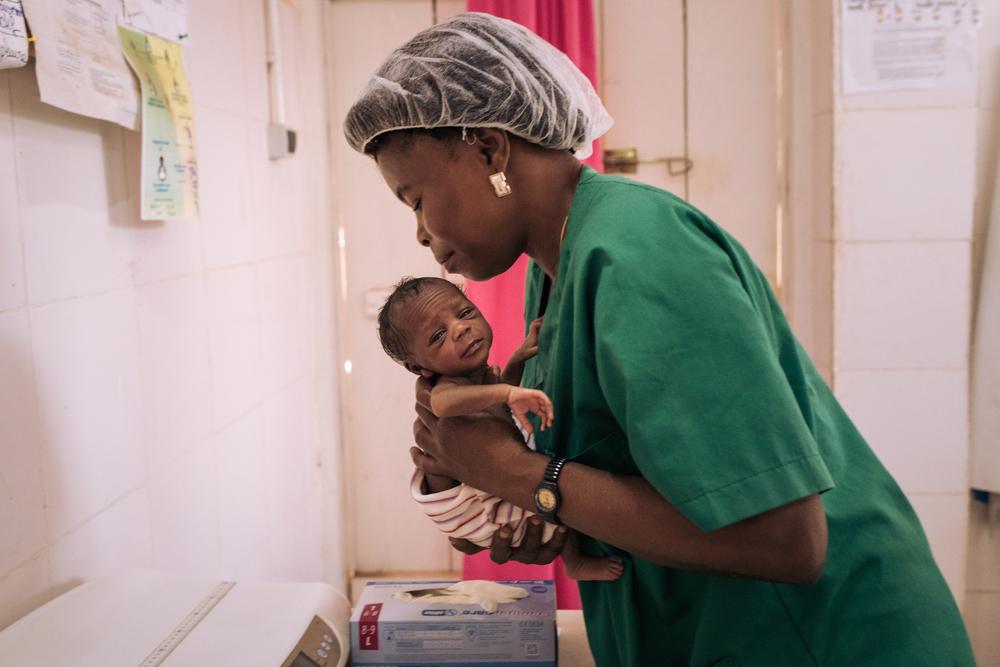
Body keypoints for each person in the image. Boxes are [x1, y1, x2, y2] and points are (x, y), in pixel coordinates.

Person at [344, 12, 975, 666]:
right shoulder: (553, 271)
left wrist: (521, 473)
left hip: (830, 639)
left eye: (415, 199)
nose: (420, 232)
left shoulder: (640, 255)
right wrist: (541, 510)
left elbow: (787, 541)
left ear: (487, 150)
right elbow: (635, 476)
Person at [377, 275, 624, 582]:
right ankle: (574, 561)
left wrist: (520, 356)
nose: (460, 328)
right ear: (419, 368)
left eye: (465, 313)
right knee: (558, 491)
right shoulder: (445, 385)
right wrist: (506, 393)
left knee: (554, 487)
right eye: (438, 336)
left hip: (479, 489)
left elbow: (493, 408)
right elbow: (444, 404)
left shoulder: (477, 378)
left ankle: (573, 559)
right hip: (469, 508)